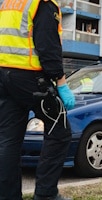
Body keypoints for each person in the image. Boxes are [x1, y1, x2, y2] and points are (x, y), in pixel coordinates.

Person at [0, 0, 75, 199]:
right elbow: (48, 46)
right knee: (60, 130)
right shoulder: (42, 3)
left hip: (4, 77)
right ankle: (46, 194)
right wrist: (61, 82)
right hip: (31, 78)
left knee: (8, 140)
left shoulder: (9, 3)